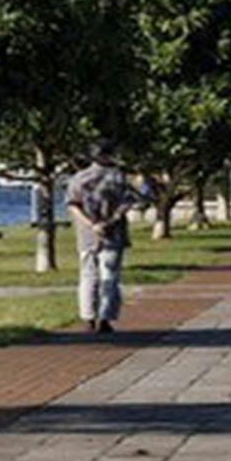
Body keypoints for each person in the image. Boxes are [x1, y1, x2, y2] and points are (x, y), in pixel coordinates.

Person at [66, 143, 137, 333]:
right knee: (110, 276)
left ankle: (88, 317)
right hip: (113, 234)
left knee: (87, 276)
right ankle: (105, 318)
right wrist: (109, 222)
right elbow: (127, 204)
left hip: (87, 235)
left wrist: (90, 224)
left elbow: (72, 205)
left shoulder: (79, 178)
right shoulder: (118, 177)